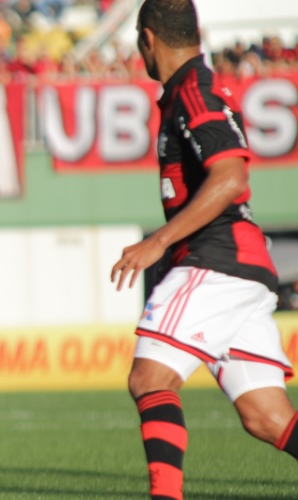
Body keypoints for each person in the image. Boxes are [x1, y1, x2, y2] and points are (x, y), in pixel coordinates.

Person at [110, 2, 298, 499]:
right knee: (267, 417)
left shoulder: (194, 90)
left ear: (147, 39)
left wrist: (157, 241)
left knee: (150, 377)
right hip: (244, 267)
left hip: (215, 258)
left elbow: (231, 175)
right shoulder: (190, 91)